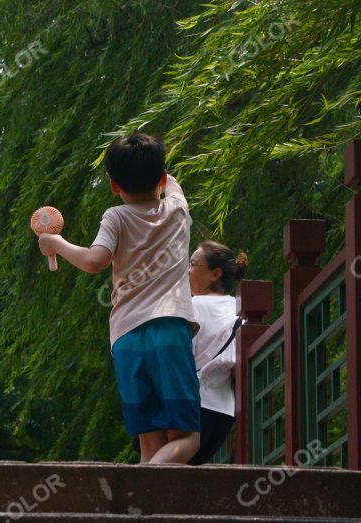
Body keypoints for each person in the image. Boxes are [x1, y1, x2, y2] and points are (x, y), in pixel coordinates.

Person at [37, 133, 200, 465]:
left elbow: (95, 261)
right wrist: (157, 169)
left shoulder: (116, 217)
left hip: (126, 338)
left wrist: (56, 243)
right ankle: (147, 483)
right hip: (169, 330)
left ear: (113, 186)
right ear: (162, 178)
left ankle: (142, 497)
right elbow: (171, 183)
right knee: (187, 438)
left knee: (150, 443)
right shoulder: (179, 209)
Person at [131, 240, 247, 464]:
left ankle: (132, 493)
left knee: (151, 465)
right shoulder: (239, 312)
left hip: (183, 405)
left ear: (215, 274)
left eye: (192, 264)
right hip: (218, 416)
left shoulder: (188, 308)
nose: (186, 270)